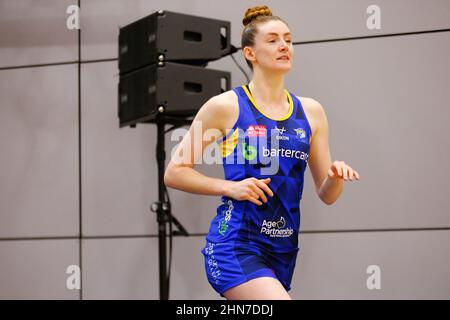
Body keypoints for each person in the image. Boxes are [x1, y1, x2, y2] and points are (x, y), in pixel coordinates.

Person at [164, 5, 360, 300]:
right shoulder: (225, 106)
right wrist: (232, 187)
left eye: (288, 40)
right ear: (250, 53)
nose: (284, 46)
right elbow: (175, 172)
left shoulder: (312, 112)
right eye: (272, 40)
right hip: (236, 244)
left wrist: (335, 177)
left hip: (283, 249)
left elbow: (327, 194)